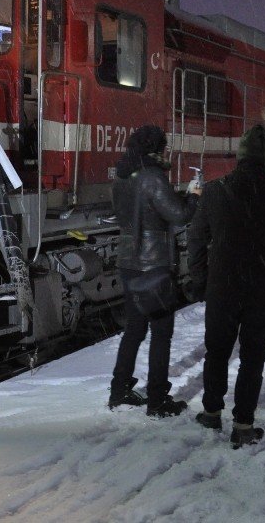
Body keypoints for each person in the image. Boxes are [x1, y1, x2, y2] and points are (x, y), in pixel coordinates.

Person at [188, 125, 265, 447]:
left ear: (240, 156)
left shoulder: (214, 190)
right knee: (253, 358)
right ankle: (242, 424)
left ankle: (211, 413)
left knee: (217, 352)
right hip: (262, 290)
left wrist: (200, 281)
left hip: (222, 287)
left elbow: (195, 239)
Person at [109, 125, 201, 417]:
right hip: (154, 264)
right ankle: (158, 400)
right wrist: (193, 195)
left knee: (134, 330)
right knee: (161, 333)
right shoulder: (153, 177)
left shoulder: (122, 176)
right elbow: (179, 215)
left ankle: (119, 390)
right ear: (157, 149)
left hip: (128, 261)